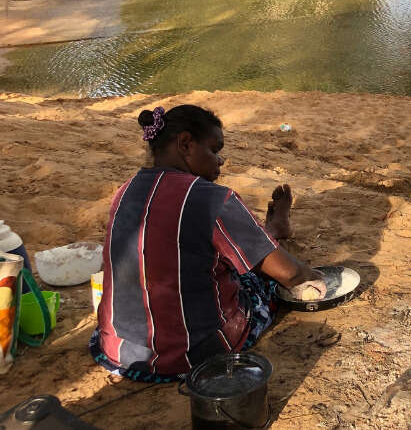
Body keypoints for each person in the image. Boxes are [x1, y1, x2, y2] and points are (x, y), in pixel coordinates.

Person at [90, 105, 326, 382]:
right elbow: (290, 273)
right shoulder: (213, 199)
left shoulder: (124, 190)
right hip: (193, 354)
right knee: (258, 278)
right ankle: (272, 232)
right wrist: (318, 277)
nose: (220, 160)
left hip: (120, 352)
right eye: (215, 150)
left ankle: (270, 230)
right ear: (185, 144)